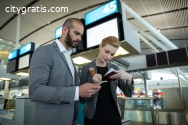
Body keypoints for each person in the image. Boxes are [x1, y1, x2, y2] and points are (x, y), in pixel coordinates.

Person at [29, 18, 101, 125]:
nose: (79, 38)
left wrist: (71, 118)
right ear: (65, 30)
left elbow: (70, 91)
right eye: (76, 33)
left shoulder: (70, 59)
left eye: (81, 35)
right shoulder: (44, 51)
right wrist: (76, 92)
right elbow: (36, 92)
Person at [80, 36, 134, 125]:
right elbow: (82, 99)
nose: (108, 56)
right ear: (100, 46)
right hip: (93, 116)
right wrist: (95, 85)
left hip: (113, 115)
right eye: (107, 51)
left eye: (112, 54)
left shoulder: (114, 68)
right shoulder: (87, 68)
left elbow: (128, 93)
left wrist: (129, 78)